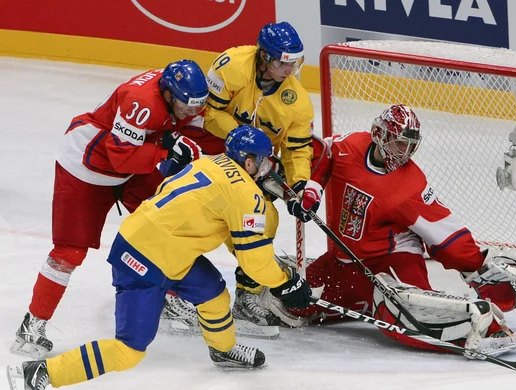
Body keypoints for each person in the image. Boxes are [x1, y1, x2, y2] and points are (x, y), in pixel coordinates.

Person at [6, 125, 313, 390]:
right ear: (248, 161)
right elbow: (255, 264)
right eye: (263, 162)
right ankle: (40, 374)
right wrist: (286, 283)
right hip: (145, 260)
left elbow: (225, 230)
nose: (268, 169)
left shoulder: (210, 164)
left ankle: (224, 351)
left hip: (156, 243)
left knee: (214, 293)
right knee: (129, 351)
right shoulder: (248, 195)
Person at [265, 104, 516, 357]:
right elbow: (314, 155)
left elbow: (444, 232)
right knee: (288, 302)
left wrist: (475, 265)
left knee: (401, 317)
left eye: (411, 146)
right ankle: (365, 301)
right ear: (379, 135)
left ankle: (481, 323)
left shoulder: (409, 185)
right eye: (399, 143)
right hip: (345, 264)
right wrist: (297, 182)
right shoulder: (347, 147)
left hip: (392, 262)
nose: (404, 152)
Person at [10, 59, 209, 360]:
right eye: (186, 106)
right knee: (69, 252)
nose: (191, 112)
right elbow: (122, 159)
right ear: (168, 94)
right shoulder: (141, 102)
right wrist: (167, 150)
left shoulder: (182, 93)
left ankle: (169, 295)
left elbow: (192, 128)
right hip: (85, 167)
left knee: (168, 226)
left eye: (197, 106)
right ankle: (32, 325)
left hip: (130, 164)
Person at [170, 21, 321, 339]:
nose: (290, 68)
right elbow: (207, 115)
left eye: (295, 61)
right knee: (191, 220)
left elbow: (297, 151)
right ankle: (167, 288)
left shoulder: (298, 101)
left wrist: (301, 185)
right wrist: (242, 137)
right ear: (264, 57)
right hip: (210, 153)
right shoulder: (231, 65)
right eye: (283, 61)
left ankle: (247, 294)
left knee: (263, 223)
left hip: (253, 166)